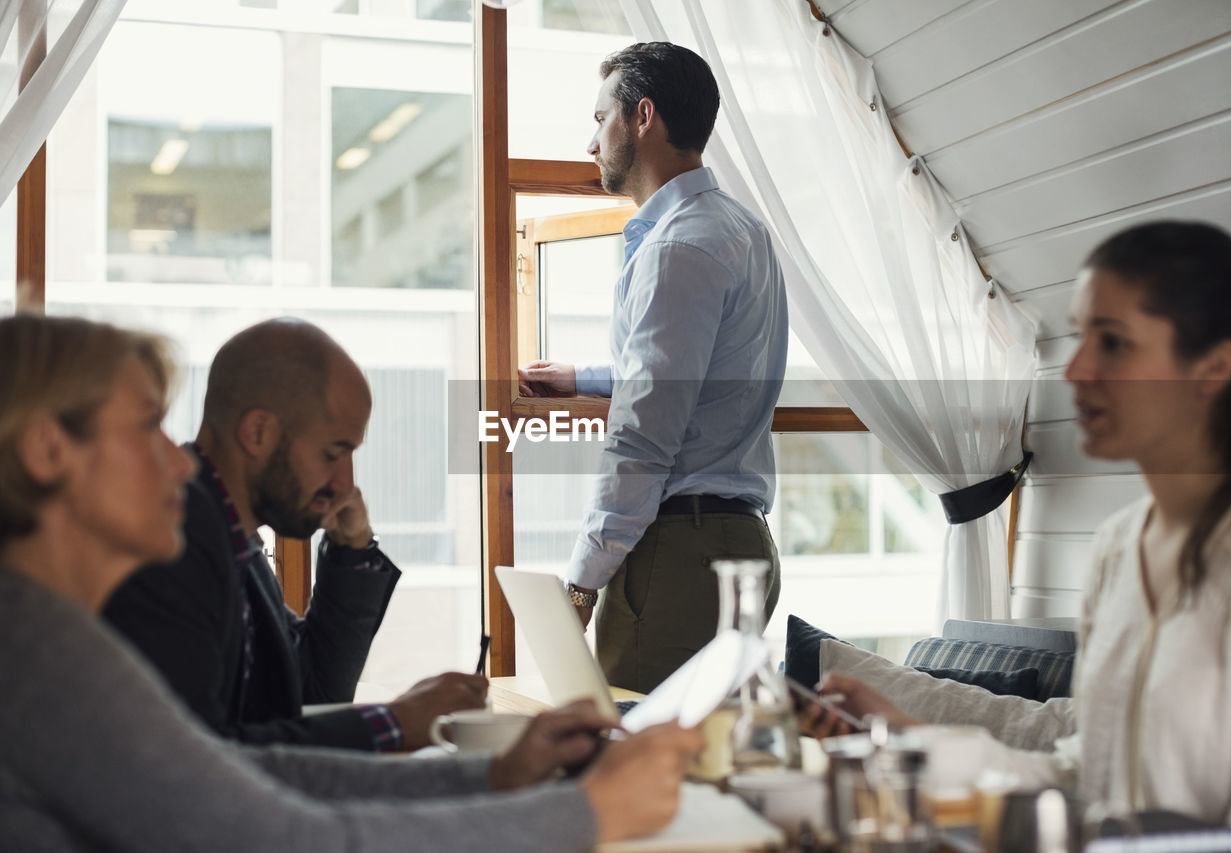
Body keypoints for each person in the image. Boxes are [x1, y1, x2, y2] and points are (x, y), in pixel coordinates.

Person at [0, 313, 704, 852]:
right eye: (147, 427)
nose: (183, 463)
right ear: (47, 450)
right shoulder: (36, 654)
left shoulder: (42, 628)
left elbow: (241, 770)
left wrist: (488, 776)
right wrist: (586, 811)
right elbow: (274, 833)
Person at [805, 222, 1231, 838]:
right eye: (1081, 337)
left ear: (1214, 366)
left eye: (1112, 343)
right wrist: (907, 738)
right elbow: (1082, 776)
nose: (1076, 369)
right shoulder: (1119, 548)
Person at [518, 42, 789, 694]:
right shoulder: (739, 231)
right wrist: (585, 378)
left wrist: (582, 582)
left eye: (599, 118)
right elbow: (699, 371)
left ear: (642, 117)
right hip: (738, 542)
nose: (590, 142)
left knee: (621, 759)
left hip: (681, 554)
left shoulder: (678, 248)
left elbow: (645, 431)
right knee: (699, 763)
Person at [103, 318, 486, 751]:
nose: (346, 485)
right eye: (332, 453)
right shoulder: (173, 544)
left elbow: (310, 693)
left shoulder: (230, 535)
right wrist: (393, 724)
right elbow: (206, 761)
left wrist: (351, 550)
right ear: (258, 433)